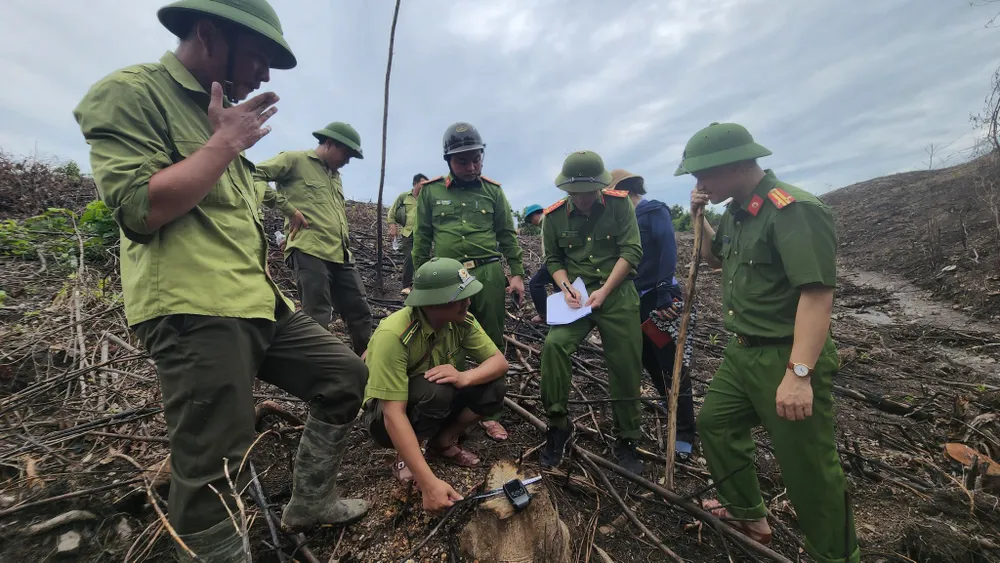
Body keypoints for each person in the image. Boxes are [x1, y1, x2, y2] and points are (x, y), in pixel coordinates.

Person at [73, 1, 369, 559]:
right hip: (195, 306)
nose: (263, 75)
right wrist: (223, 144)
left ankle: (309, 501)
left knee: (345, 376)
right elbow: (139, 209)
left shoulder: (227, 116)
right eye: (257, 56)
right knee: (214, 465)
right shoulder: (133, 92)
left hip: (257, 300)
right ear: (207, 34)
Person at [679, 122, 858, 561]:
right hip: (742, 352)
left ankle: (835, 556)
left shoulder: (793, 209)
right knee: (715, 424)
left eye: (705, 175)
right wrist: (698, 217)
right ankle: (748, 514)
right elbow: (714, 258)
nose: (700, 184)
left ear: (738, 164)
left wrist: (799, 374)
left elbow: (817, 296)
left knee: (809, 471)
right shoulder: (739, 211)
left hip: (785, 353)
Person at [361, 257, 509, 514]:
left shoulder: (460, 320)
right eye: (459, 298)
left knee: (493, 385)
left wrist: (465, 378)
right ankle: (406, 456)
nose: (468, 302)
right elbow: (392, 414)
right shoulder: (394, 335)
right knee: (438, 388)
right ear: (431, 302)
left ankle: (441, 441)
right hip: (386, 417)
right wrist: (430, 484)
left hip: (434, 402)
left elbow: (499, 362)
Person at [412, 122, 525, 442]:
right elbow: (421, 240)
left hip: (487, 273)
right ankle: (451, 408)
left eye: (477, 159)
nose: (472, 166)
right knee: (448, 341)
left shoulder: (493, 191)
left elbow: (507, 235)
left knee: (491, 337)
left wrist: (516, 273)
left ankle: (490, 413)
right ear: (448, 161)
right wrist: (420, 282)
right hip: (447, 277)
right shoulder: (431, 192)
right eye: (464, 161)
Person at [538, 150, 645, 474]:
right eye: (575, 194)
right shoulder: (553, 217)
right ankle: (558, 425)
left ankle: (626, 437)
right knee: (554, 346)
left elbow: (631, 250)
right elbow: (554, 260)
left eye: (588, 193)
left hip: (616, 291)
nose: (582, 200)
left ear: (600, 186)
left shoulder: (619, 204)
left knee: (626, 362)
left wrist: (606, 290)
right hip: (578, 296)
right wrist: (565, 286)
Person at [255, 122, 373, 355]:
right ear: (329, 144)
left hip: (340, 254)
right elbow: (252, 174)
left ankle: (369, 368)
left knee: (359, 310)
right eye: (346, 153)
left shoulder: (335, 176)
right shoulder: (294, 160)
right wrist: (287, 208)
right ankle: (320, 373)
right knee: (318, 314)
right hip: (308, 249)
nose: (348, 161)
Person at [612, 169, 697, 459]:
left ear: (623, 190)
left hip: (658, 301)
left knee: (671, 362)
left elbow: (667, 249)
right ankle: (666, 401)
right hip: (634, 301)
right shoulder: (624, 219)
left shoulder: (652, 210)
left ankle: (685, 430)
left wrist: (663, 289)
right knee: (647, 357)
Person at [387, 173, 428, 295]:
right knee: (410, 257)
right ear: (415, 183)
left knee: (422, 258)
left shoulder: (426, 198)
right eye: (423, 183)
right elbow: (392, 212)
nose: (425, 186)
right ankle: (406, 285)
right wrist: (392, 226)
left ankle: (421, 285)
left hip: (422, 234)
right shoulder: (404, 196)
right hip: (408, 233)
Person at [522, 204, 557, 323]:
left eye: (531, 219)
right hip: (558, 262)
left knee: (535, 284)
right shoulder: (549, 222)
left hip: (554, 261)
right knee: (560, 290)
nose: (532, 222)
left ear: (536, 214)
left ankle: (544, 315)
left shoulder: (547, 220)